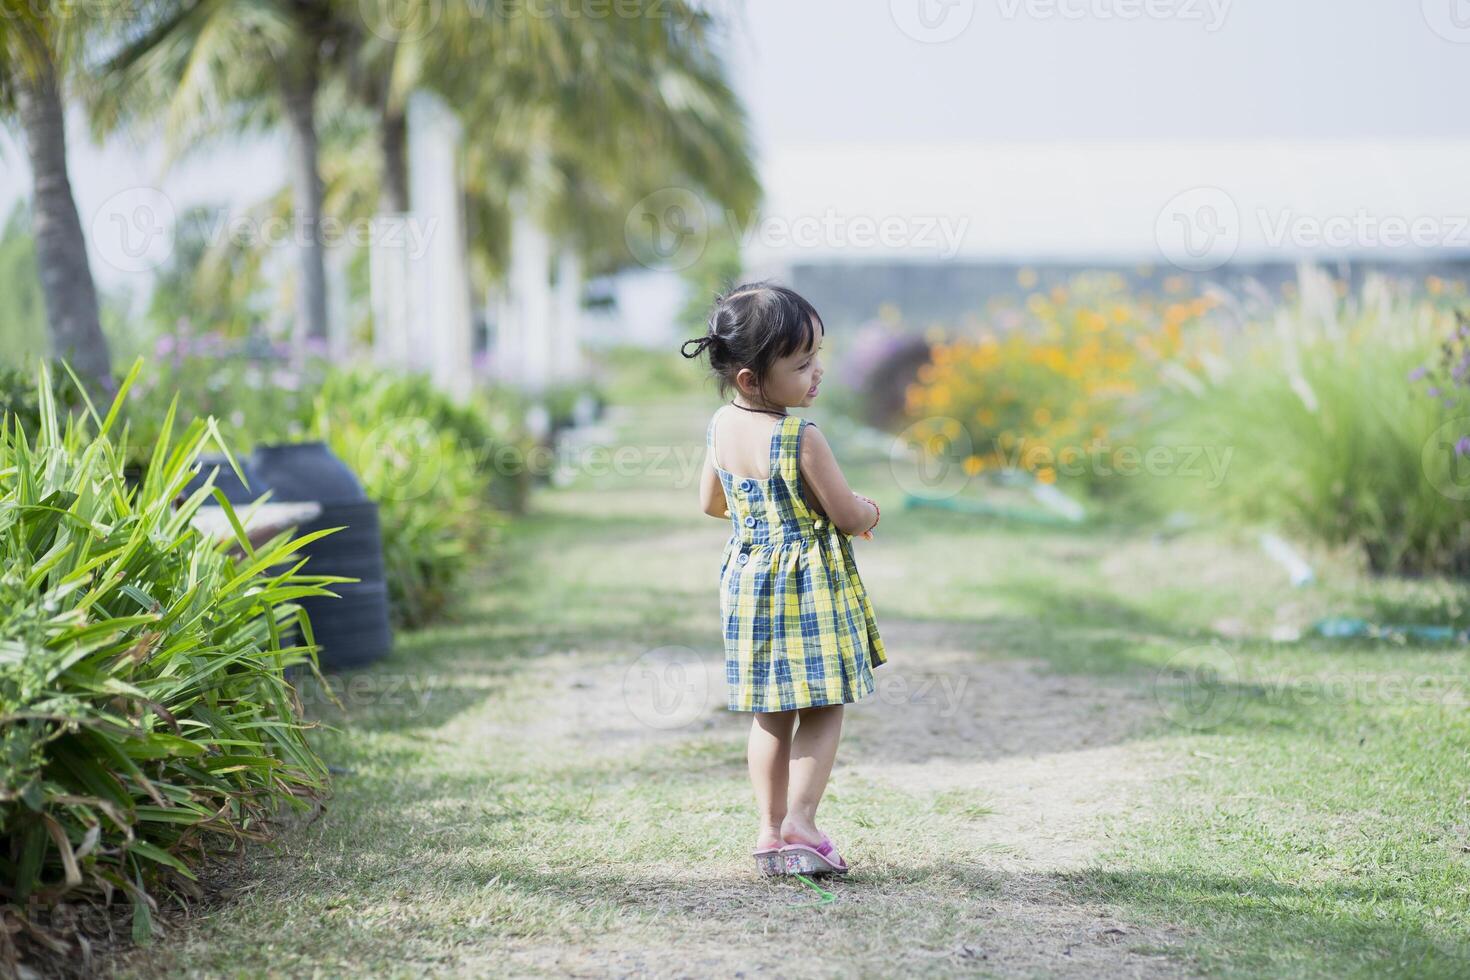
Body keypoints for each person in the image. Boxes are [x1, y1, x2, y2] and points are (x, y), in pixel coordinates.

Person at [680, 280, 888, 878]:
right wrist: (870, 510)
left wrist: (764, 516)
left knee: (769, 712)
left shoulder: (721, 426)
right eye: (802, 364)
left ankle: (770, 832)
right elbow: (847, 516)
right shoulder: (802, 438)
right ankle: (802, 820)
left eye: (817, 356)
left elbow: (711, 504)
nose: (817, 372)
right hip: (809, 588)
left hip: (748, 582)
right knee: (822, 704)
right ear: (751, 378)